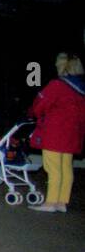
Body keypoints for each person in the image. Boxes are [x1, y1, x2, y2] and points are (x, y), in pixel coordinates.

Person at [27, 52, 85, 213]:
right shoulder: (81, 88)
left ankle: (50, 202)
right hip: (73, 133)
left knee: (52, 167)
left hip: (55, 132)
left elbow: (40, 103)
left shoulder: (57, 85)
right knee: (66, 167)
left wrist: (32, 112)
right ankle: (61, 201)